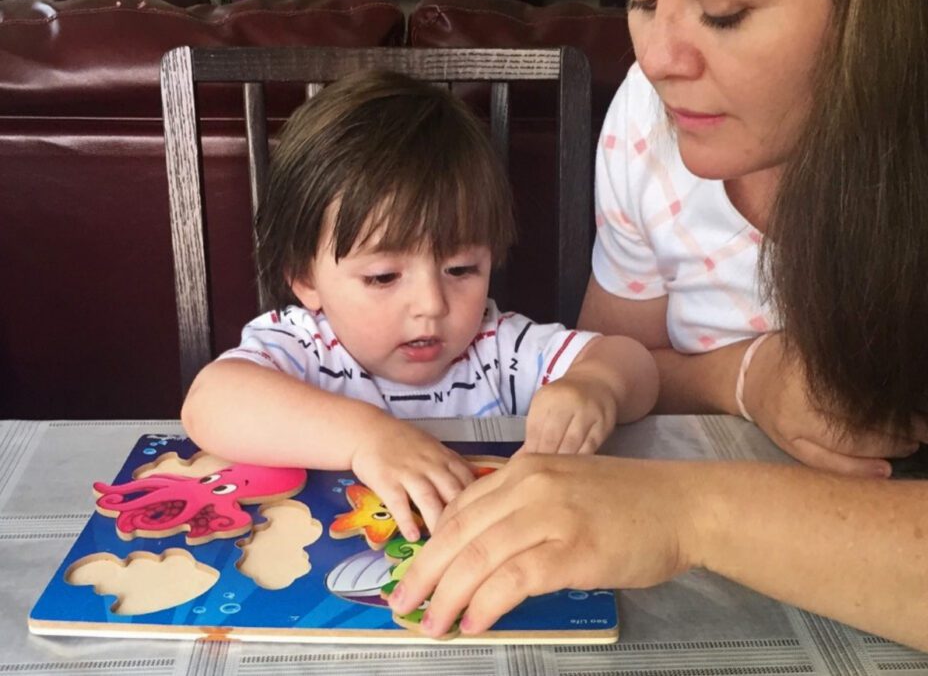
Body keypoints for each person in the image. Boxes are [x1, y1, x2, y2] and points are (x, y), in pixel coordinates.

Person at [390, 0, 928, 668]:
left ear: (897, 4)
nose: (657, 58)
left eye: (721, 10)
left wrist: (691, 512)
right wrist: (750, 377)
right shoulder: (649, 129)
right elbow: (618, 358)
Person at [181, 69, 658, 541]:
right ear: (306, 278)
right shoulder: (304, 346)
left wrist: (597, 384)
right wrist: (369, 438)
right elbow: (209, 403)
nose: (431, 305)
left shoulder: (497, 347)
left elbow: (635, 364)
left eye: (461, 270)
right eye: (383, 276)